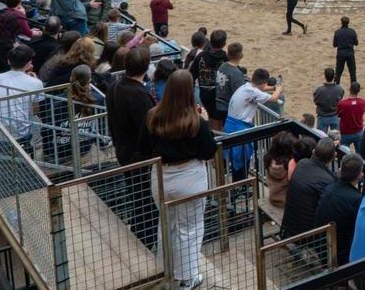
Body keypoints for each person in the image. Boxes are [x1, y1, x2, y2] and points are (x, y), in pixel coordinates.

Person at [137, 70, 217, 290]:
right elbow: (208, 151)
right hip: (189, 177)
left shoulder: (153, 115)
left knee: (167, 224)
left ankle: (167, 273)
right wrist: (206, 123)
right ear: (190, 92)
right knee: (190, 229)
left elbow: (143, 147)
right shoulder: (197, 121)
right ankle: (187, 278)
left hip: (162, 176)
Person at [106, 49, 159, 248]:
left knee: (137, 196)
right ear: (146, 69)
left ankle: (139, 235)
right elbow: (149, 130)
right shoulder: (139, 95)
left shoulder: (114, 86)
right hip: (139, 157)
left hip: (123, 150)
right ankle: (144, 242)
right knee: (146, 202)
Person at [225, 67, 283, 179]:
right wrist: (279, 89)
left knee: (237, 160)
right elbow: (273, 98)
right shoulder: (253, 92)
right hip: (239, 128)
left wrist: (273, 87)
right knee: (241, 160)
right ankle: (241, 189)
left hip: (232, 125)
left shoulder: (246, 86)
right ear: (264, 82)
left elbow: (261, 88)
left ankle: (240, 187)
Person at [313, 154, 363, 267]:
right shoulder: (356, 198)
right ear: (360, 175)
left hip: (321, 246)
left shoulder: (329, 188)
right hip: (339, 254)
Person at [281, 137, 337, 237]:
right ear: (334, 156)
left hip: (289, 226)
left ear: (314, 152)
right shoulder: (328, 181)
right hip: (309, 235)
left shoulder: (302, 164)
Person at [336, 81, 365, 152]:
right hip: (358, 131)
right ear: (359, 91)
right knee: (360, 154)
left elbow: (338, 115)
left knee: (344, 154)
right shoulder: (362, 102)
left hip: (346, 133)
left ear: (349, 89)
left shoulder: (343, 104)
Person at [313, 67, 344, 133]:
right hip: (335, 116)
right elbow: (341, 99)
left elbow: (316, 101)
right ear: (334, 76)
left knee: (321, 138)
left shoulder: (319, 90)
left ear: (325, 76)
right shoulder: (339, 89)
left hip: (322, 117)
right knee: (336, 139)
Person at [333, 16, 359, 85]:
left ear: (341, 22)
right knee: (352, 73)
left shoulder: (337, 32)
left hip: (340, 53)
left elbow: (334, 45)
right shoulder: (352, 31)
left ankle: (336, 87)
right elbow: (356, 43)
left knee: (338, 73)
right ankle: (354, 88)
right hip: (350, 54)